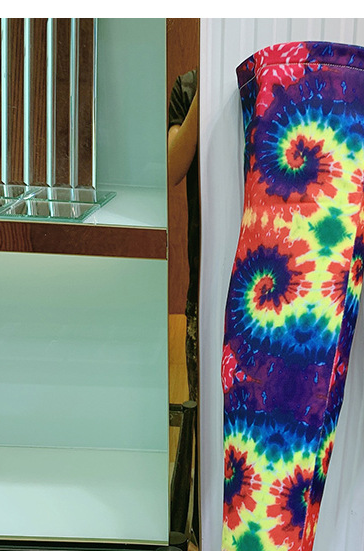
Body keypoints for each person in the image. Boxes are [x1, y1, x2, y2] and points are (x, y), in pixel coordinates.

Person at [168, 68, 200, 403]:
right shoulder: (188, 86)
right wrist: (203, 95)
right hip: (202, 276)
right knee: (200, 400)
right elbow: (173, 168)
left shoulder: (271, 77)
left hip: (264, 269)